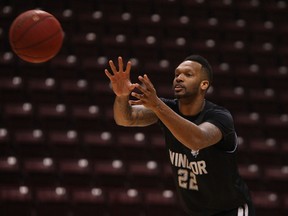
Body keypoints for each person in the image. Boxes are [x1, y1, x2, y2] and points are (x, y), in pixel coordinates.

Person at [104, 55, 255, 216]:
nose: (179, 78)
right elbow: (125, 119)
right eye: (177, 74)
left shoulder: (220, 116)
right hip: (196, 212)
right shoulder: (166, 108)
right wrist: (121, 96)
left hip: (230, 210)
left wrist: (157, 106)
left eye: (188, 75)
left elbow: (196, 140)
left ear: (204, 84)